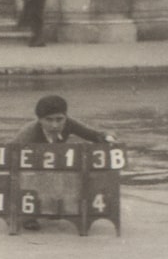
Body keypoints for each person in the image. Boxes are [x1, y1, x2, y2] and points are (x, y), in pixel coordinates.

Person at [12, 94, 119, 229]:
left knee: (65, 173)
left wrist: (108, 137)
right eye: (49, 120)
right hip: (29, 169)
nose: (55, 125)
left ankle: (51, 207)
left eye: (59, 119)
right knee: (30, 177)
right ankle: (28, 216)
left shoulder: (69, 123)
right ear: (39, 120)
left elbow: (93, 134)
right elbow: (11, 159)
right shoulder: (28, 134)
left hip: (52, 165)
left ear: (65, 117)